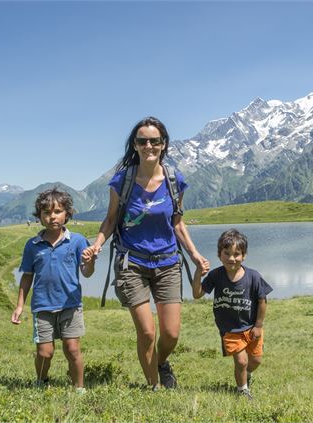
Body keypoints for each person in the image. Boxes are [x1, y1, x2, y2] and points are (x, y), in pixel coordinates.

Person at [82, 117, 209, 390]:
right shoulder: (123, 180)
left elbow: (177, 222)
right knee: (147, 331)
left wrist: (196, 255)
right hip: (132, 263)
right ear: (135, 145)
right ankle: (154, 387)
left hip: (168, 262)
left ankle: (160, 363)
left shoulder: (175, 180)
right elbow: (111, 218)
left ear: (163, 145)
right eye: (142, 141)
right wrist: (97, 244)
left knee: (171, 334)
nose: (148, 145)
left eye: (154, 140)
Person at [11, 188, 96, 393]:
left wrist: (90, 261)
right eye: (46, 213)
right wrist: (20, 305)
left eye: (57, 211)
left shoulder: (77, 241)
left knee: (73, 349)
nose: (52, 217)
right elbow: (27, 276)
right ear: (39, 217)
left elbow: (86, 273)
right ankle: (41, 381)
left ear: (67, 213)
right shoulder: (32, 245)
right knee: (45, 352)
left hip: (71, 305)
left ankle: (79, 389)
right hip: (42, 306)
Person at [191, 229, 273, 400]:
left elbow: (262, 301)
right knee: (241, 361)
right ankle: (242, 391)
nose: (231, 258)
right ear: (219, 254)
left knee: (255, 361)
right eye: (226, 253)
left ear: (244, 255)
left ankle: (246, 375)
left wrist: (258, 325)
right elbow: (197, 294)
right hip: (230, 329)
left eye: (237, 254)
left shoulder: (254, 277)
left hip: (252, 327)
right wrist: (198, 273)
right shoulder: (216, 275)